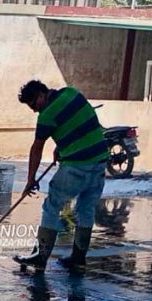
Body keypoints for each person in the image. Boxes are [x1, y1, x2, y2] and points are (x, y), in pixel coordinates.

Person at [14, 80, 109, 272]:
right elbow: (81, 123)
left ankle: (40, 257)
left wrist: (30, 180)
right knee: (86, 208)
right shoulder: (72, 93)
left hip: (77, 166)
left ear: (41, 95)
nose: (34, 110)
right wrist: (62, 146)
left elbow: (36, 149)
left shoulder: (47, 115)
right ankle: (78, 258)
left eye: (33, 104)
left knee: (52, 206)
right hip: (99, 160)